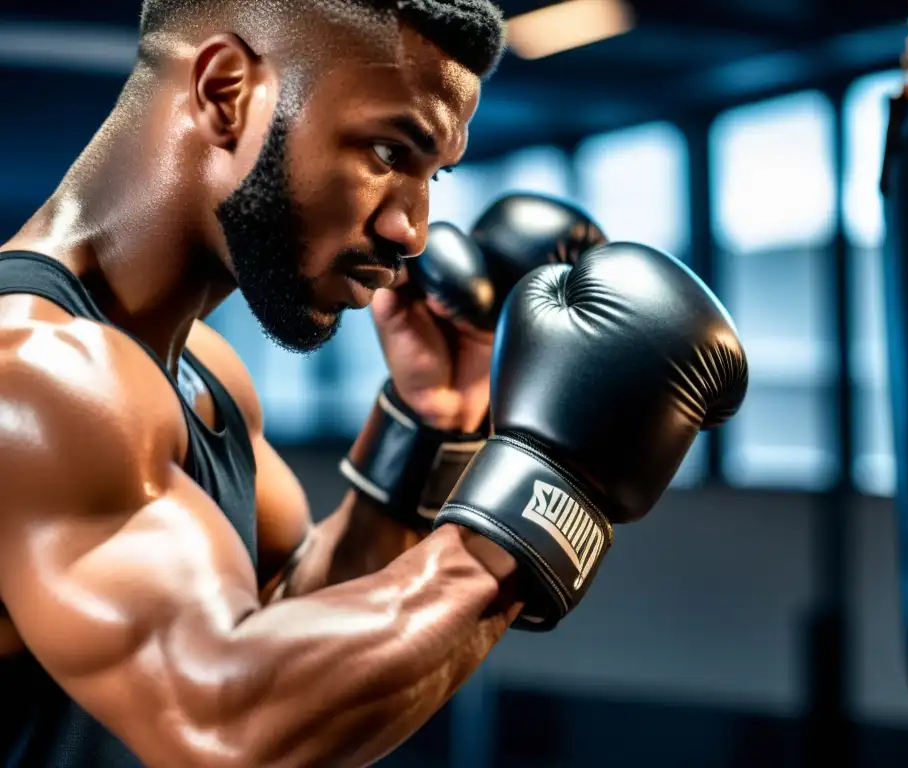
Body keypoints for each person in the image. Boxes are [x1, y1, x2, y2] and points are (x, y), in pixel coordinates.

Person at [0, 0, 749, 766]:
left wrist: (428, 429)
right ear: (227, 92)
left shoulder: (196, 371)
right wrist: (546, 496)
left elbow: (281, 625)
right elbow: (227, 724)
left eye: (434, 174)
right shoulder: (33, 372)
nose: (413, 231)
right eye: (390, 153)